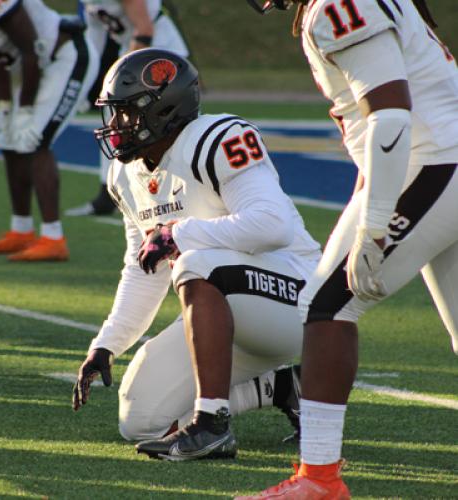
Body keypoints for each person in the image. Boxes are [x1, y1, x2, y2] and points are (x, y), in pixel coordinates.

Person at [239, 0, 458, 498]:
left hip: (435, 162)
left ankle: (319, 479)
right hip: (436, 157)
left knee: (327, 306)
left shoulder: (339, 6)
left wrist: (376, 223)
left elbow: (392, 115)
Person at [72, 48, 323, 460]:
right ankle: (283, 386)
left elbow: (272, 225)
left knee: (194, 261)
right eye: (114, 113)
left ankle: (211, 427)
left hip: (296, 298)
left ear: (163, 110)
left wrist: (179, 233)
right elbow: (144, 270)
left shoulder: (219, 138)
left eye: (126, 113)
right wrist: (106, 346)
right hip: (225, 312)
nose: (116, 126)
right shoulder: (125, 174)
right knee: (140, 419)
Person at [0, 0, 98, 262]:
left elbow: (31, 50)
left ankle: (53, 238)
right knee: (9, 140)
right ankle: (21, 231)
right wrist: (4, 107)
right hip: (41, 66)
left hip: (67, 56)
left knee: (35, 139)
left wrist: (23, 109)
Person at [65, 0, 189, 217]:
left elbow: (144, 30)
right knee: (115, 123)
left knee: (168, 128)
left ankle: (188, 190)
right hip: (132, 54)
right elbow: (94, 39)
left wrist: (129, 76)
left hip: (161, 58)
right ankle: (109, 193)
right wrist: (85, 78)